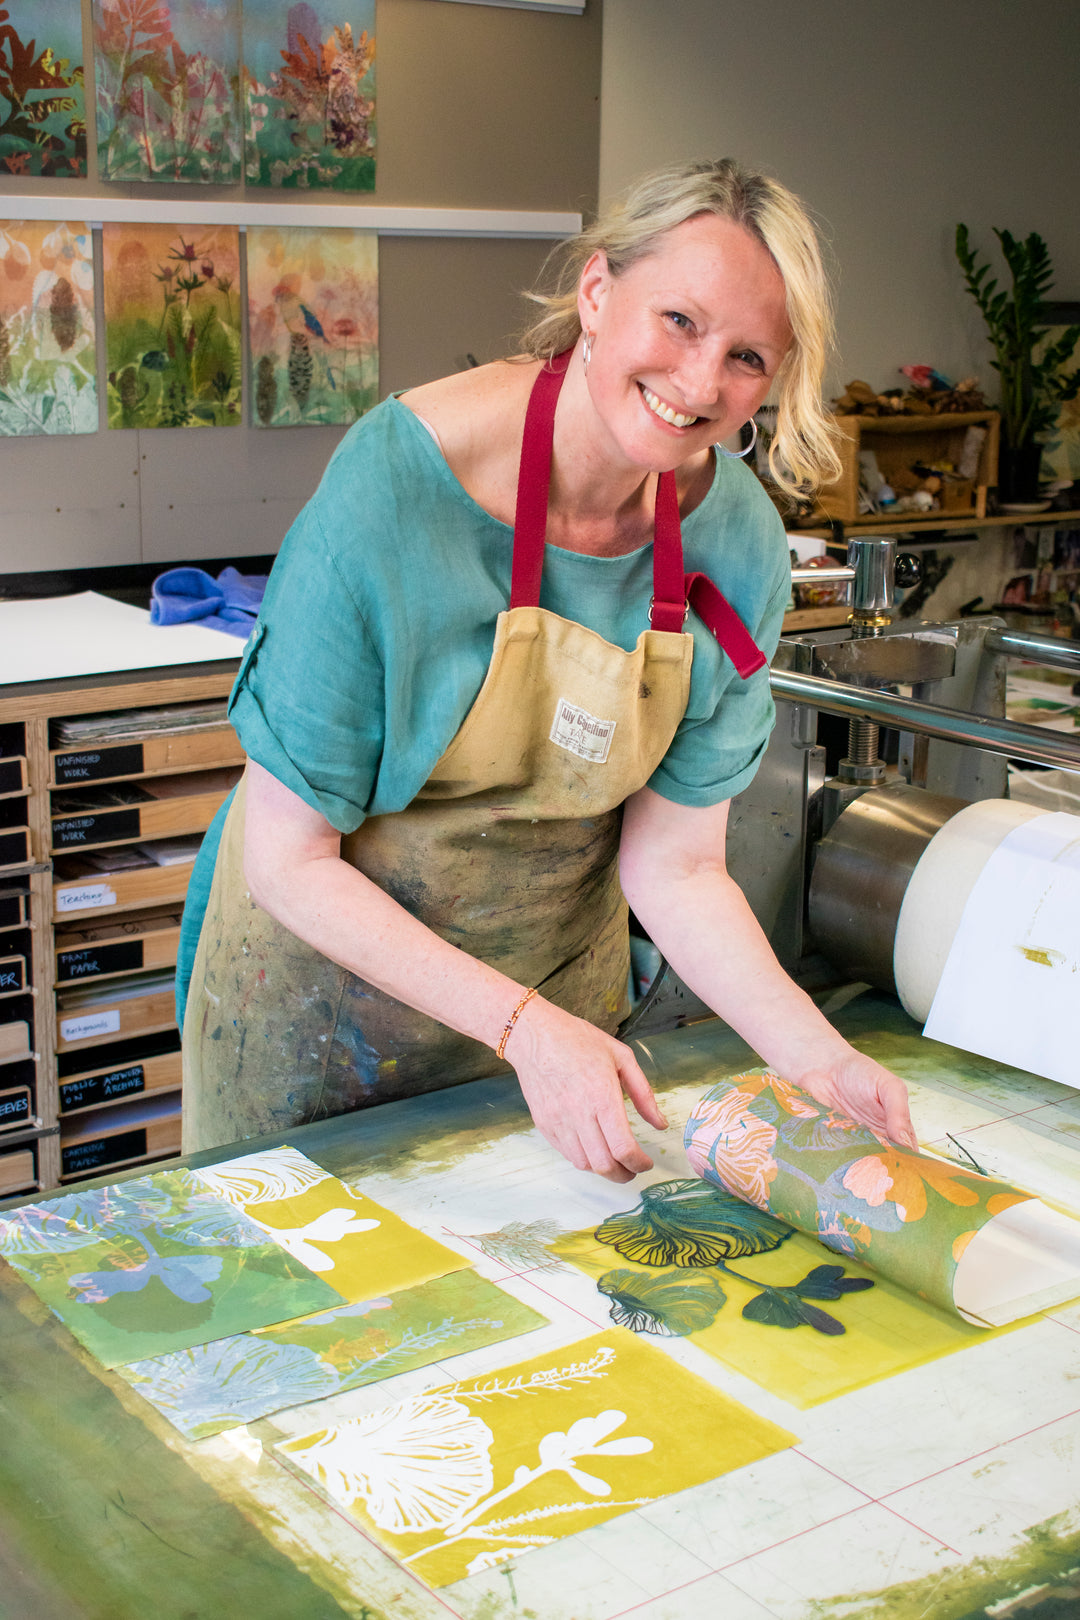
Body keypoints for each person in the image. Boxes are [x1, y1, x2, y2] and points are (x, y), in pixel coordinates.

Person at [178, 157, 918, 1177]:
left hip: (565, 1035)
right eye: (680, 321)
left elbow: (679, 865)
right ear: (598, 291)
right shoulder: (394, 493)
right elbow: (288, 861)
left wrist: (819, 1059)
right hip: (324, 1020)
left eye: (747, 355)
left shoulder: (735, 543)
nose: (701, 384)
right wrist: (520, 1028)